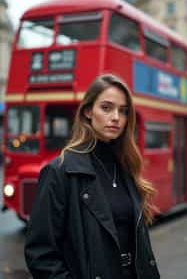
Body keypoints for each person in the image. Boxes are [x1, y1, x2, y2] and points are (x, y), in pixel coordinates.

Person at [24, 74, 160, 279]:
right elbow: (40, 254)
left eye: (123, 111)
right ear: (88, 111)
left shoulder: (126, 167)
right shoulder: (59, 171)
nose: (116, 117)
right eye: (106, 108)